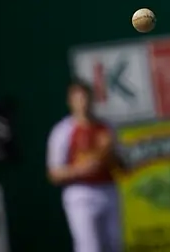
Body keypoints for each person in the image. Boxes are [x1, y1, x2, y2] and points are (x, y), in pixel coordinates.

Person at [46, 79, 122, 252]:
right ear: (70, 102)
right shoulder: (62, 131)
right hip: (79, 194)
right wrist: (80, 169)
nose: (83, 103)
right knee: (89, 248)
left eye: (86, 98)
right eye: (78, 99)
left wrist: (109, 153)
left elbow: (123, 166)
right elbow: (53, 174)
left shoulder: (106, 128)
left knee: (114, 245)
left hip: (108, 190)